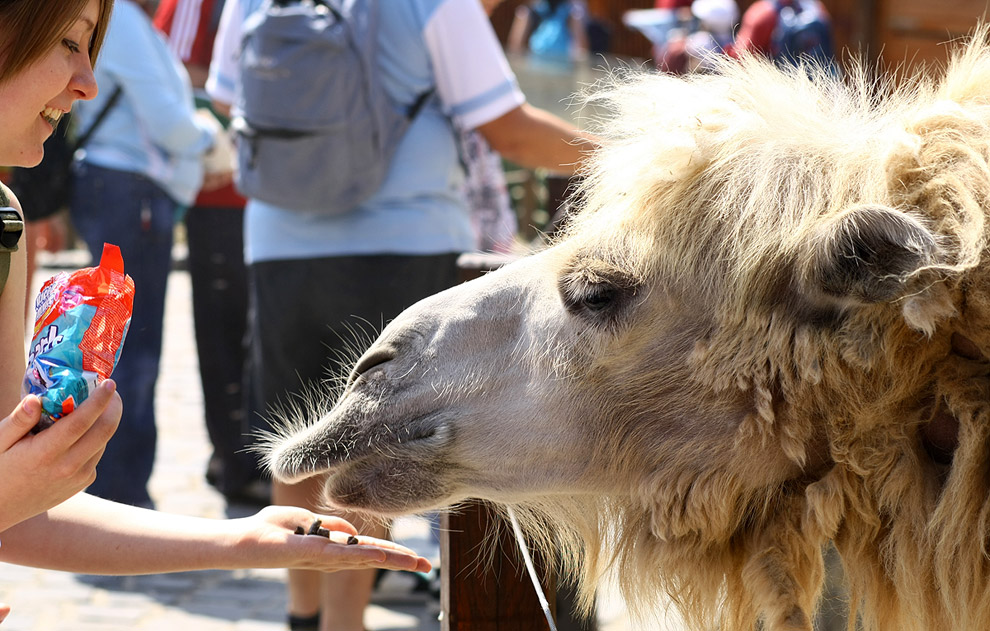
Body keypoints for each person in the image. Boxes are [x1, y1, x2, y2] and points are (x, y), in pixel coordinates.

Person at [0, 0, 430, 625]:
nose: (87, 83)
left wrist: (242, 541)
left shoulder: (4, 221)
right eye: (70, 43)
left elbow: (19, 516)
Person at [207, 1, 598, 629]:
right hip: (403, 235)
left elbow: (232, 99)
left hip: (280, 236)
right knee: (376, 438)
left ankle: (302, 614)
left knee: (302, 432)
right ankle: (344, 622)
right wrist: (634, 162)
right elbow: (511, 130)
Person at [68, 0, 228, 508]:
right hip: (130, 192)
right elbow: (169, 124)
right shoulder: (128, 27)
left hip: (119, 188)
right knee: (130, 352)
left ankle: (113, 487)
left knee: (118, 347)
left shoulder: (127, 25)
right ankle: (119, 493)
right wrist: (212, 136)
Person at [153, 0, 265, 506]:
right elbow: (170, 67)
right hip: (222, 192)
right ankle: (238, 460)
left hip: (259, 192)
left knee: (252, 334)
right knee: (227, 334)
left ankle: (251, 459)